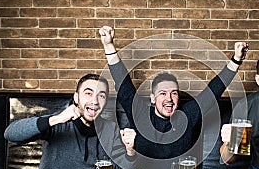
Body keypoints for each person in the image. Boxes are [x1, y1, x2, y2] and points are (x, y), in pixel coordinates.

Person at [99, 25, 248, 160]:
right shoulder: (140, 113)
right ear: (152, 98)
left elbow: (213, 91)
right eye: (162, 93)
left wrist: (236, 61)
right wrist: (108, 45)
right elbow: (123, 84)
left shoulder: (188, 114)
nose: (169, 98)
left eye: (174, 93)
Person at [4, 74, 137, 169]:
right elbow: (10, 134)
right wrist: (55, 119)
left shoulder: (110, 129)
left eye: (101, 96)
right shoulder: (58, 121)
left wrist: (130, 151)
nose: (95, 101)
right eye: (88, 93)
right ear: (76, 98)